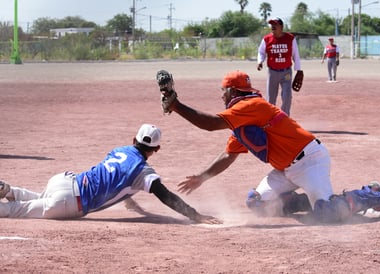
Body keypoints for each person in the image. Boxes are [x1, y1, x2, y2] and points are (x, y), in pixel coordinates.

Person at [156, 69, 342, 222]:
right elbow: (229, 155)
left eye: (223, 91)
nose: (222, 96)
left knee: (328, 213)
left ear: (233, 91)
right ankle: (307, 202)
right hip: (285, 170)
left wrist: (176, 105)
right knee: (258, 203)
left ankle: (369, 195)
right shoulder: (245, 118)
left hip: (310, 161)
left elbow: (210, 124)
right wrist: (202, 177)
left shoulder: (250, 106)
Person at [0, 124, 221, 224]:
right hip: (71, 201)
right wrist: (195, 215)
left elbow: (117, 179)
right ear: (157, 149)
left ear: (133, 140)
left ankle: (9, 190)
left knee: (38, 198)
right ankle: (8, 196)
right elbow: (165, 196)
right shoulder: (144, 172)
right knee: (17, 211)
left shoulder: (120, 150)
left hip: (65, 180)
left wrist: (132, 205)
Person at [257, 17, 303, 116]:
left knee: (287, 97)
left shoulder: (290, 38)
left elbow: (296, 54)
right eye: (271, 24)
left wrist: (298, 69)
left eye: (275, 24)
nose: (273, 26)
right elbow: (261, 52)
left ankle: (284, 118)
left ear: (281, 27)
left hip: (286, 73)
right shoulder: (267, 39)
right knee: (270, 98)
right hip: (272, 72)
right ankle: (270, 119)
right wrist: (260, 61)